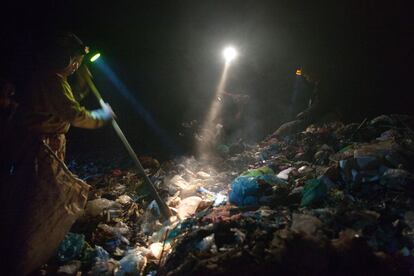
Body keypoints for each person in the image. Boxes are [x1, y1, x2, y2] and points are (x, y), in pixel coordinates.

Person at [0, 32, 114, 275]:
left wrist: (81, 88)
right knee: (42, 196)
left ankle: (32, 245)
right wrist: (101, 118)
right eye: (73, 60)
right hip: (40, 148)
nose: (75, 65)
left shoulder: (51, 79)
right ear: (62, 58)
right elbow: (72, 114)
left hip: (43, 145)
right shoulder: (51, 80)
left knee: (40, 193)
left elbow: (64, 106)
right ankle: (25, 253)